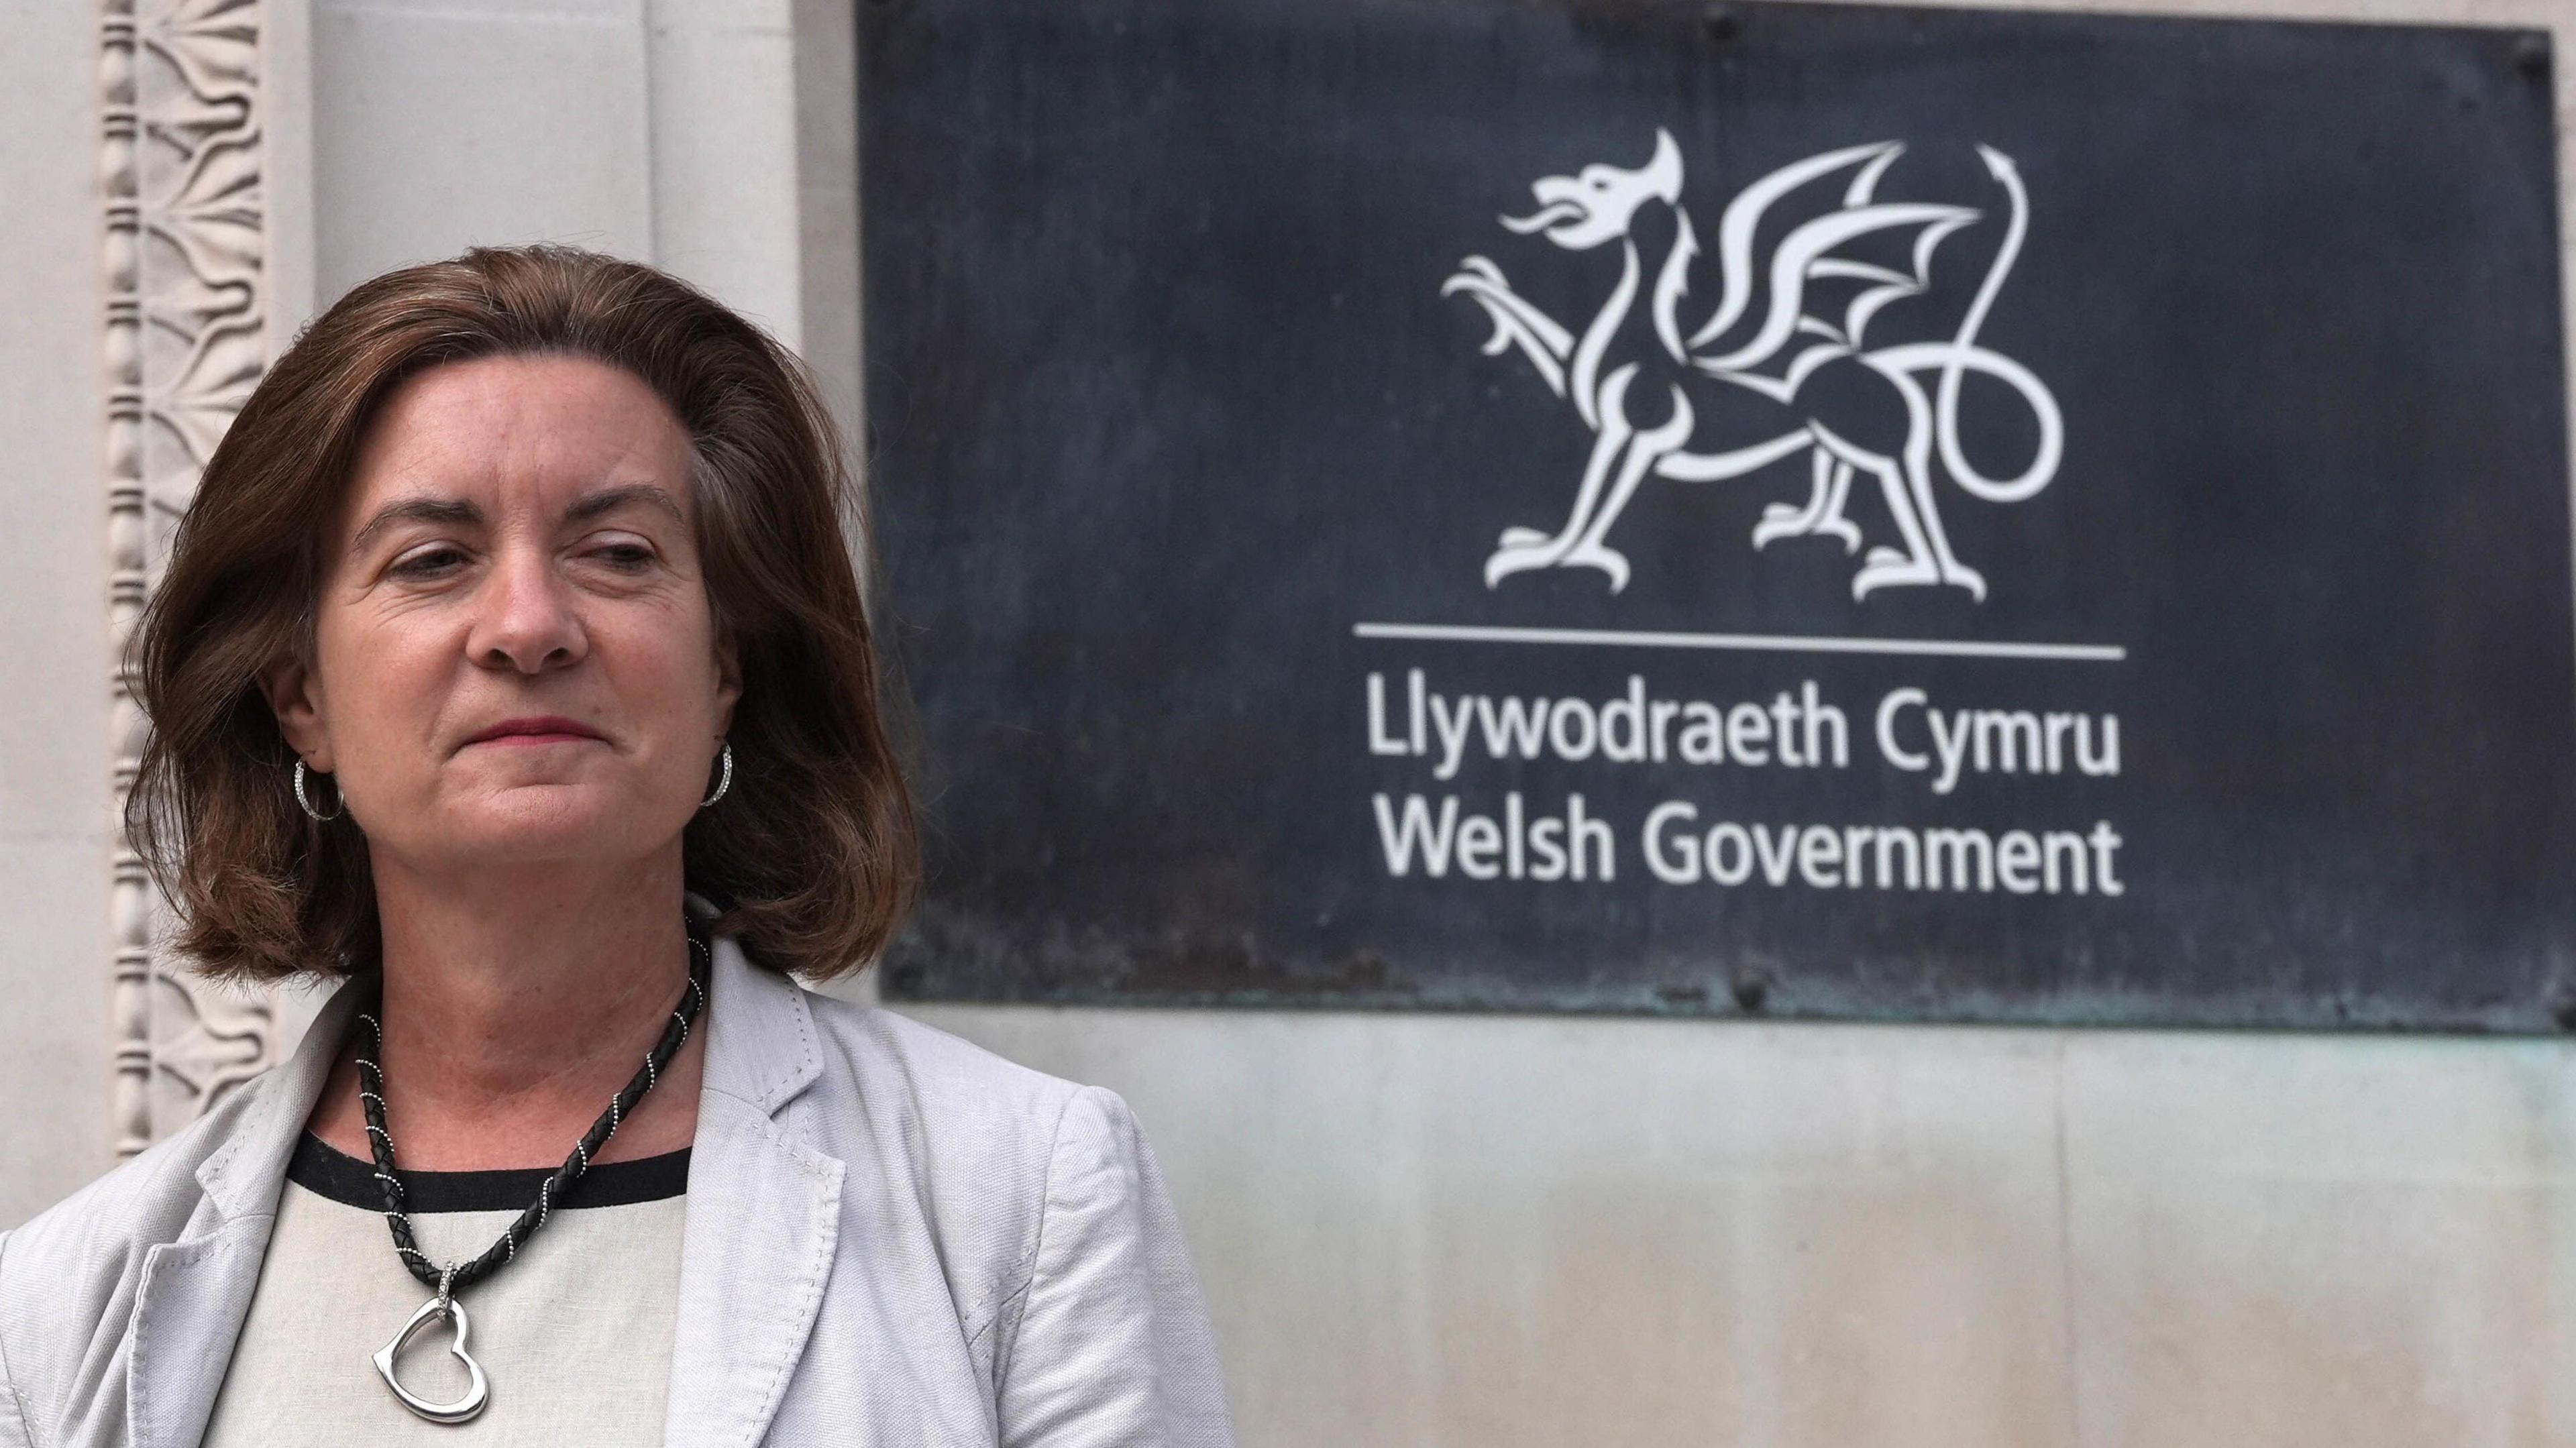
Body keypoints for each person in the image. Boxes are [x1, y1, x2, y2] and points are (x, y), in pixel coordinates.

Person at [0, 245, 1236, 1447]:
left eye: (620, 554)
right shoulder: (58, 1307)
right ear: (297, 694)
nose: (530, 626)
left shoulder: (1020, 1198)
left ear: (728, 670)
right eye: (433, 560)